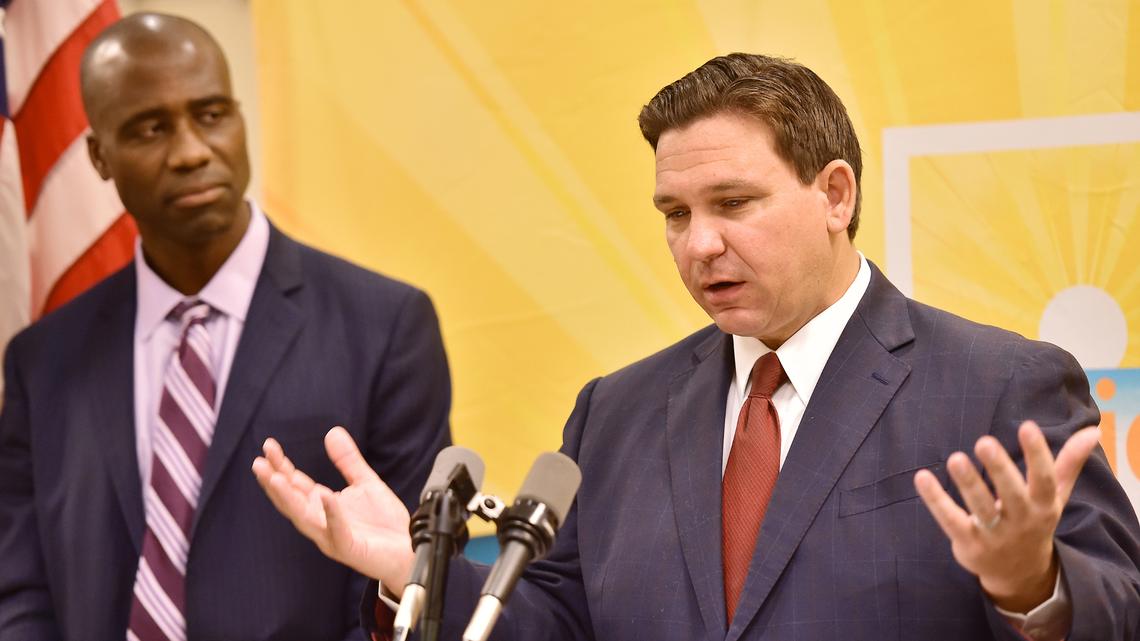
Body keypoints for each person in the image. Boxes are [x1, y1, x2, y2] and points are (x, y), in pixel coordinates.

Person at [253, 54, 1140, 640]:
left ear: (835, 194)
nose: (698, 244)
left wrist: (1031, 587)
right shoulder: (617, 411)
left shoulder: (996, 385)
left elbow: (1121, 610)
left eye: (733, 203)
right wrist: (419, 570)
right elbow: (557, 620)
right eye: (674, 215)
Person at [0, 13, 452, 641]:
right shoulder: (42, 359)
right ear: (100, 157)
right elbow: (20, 586)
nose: (191, 151)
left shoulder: (385, 327)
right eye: (151, 128)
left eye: (212, 114)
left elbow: (412, 582)